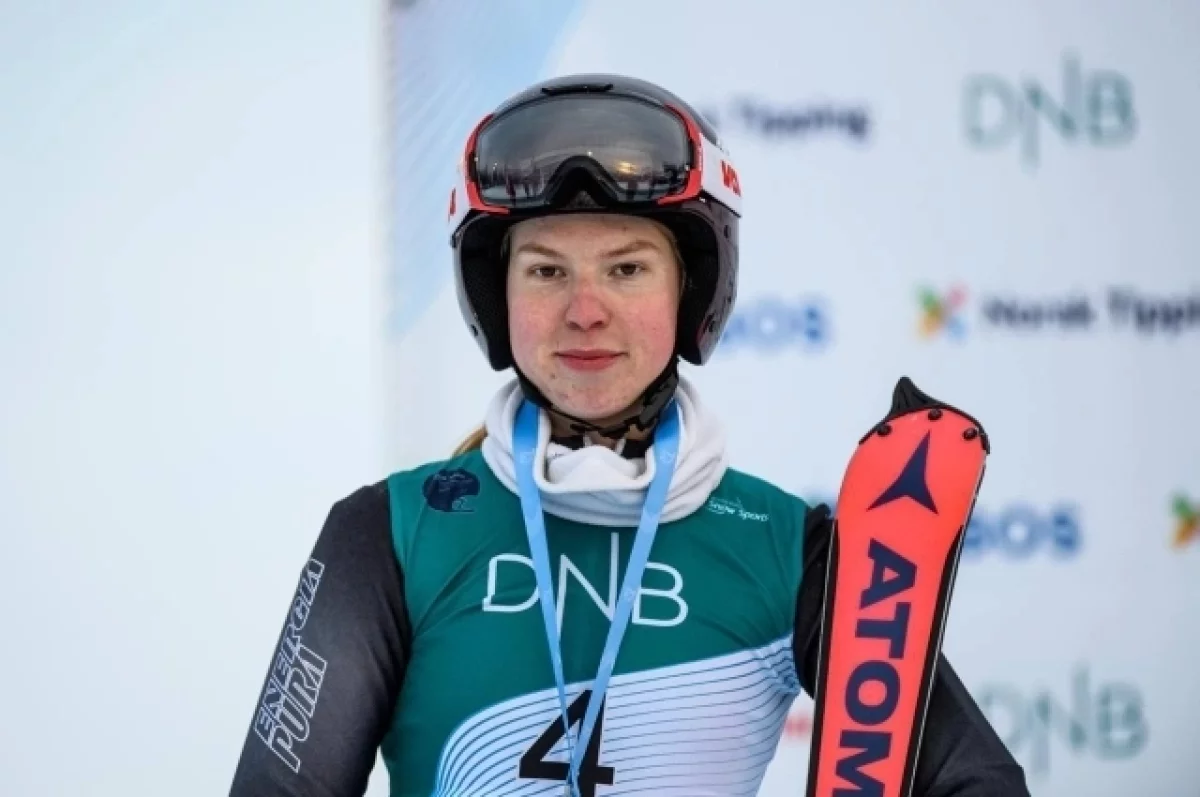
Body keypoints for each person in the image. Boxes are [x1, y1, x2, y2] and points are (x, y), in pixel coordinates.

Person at [229, 74, 1029, 797]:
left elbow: (981, 782)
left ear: (692, 291)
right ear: (495, 295)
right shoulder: (392, 535)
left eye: (627, 268)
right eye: (546, 270)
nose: (585, 311)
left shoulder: (791, 552)